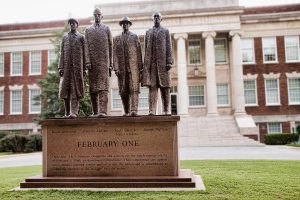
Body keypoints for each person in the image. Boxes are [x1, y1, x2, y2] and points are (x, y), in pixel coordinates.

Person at [142, 12, 173, 115]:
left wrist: (169, 61)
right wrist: (146, 66)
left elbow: (169, 47)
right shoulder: (148, 32)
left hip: (163, 64)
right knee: (153, 88)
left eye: (158, 17)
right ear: (152, 19)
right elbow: (146, 49)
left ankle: (166, 109)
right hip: (152, 66)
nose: (156, 19)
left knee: (165, 88)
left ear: (161, 19)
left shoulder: (165, 31)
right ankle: (152, 110)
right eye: (154, 17)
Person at [84, 7, 113, 117]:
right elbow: (86, 46)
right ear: (93, 16)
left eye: (98, 14)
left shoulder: (106, 29)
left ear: (101, 16)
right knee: (93, 88)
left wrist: (110, 64)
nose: (97, 16)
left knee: (103, 88)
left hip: (104, 63)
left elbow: (111, 46)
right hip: (92, 64)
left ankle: (103, 112)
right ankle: (95, 111)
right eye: (95, 15)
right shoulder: (88, 30)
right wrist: (87, 61)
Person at [113, 17, 143, 116]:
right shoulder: (117, 38)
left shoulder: (134, 37)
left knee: (134, 89)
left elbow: (139, 53)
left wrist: (140, 68)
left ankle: (134, 110)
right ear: (121, 25)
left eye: (127, 23)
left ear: (129, 25)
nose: (125, 25)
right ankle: (126, 111)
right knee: (123, 90)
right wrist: (116, 67)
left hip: (133, 68)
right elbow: (115, 54)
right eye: (123, 23)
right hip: (122, 69)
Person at [58, 18, 85, 118]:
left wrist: (85, 67)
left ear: (77, 25)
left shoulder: (81, 37)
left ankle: (74, 112)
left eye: (74, 23)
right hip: (66, 68)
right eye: (70, 24)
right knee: (65, 90)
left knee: (75, 90)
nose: (72, 25)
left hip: (77, 68)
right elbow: (61, 53)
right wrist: (60, 67)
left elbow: (84, 53)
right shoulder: (65, 37)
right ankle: (67, 112)